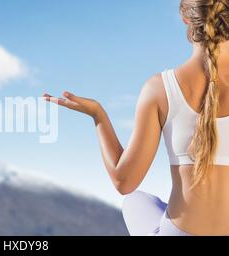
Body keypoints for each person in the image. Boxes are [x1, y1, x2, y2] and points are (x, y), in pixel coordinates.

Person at [44, 0, 229, 236]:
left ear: (186, 19)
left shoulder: (160, 88)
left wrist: (98, 115)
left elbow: (124, 182)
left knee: (135, 201)